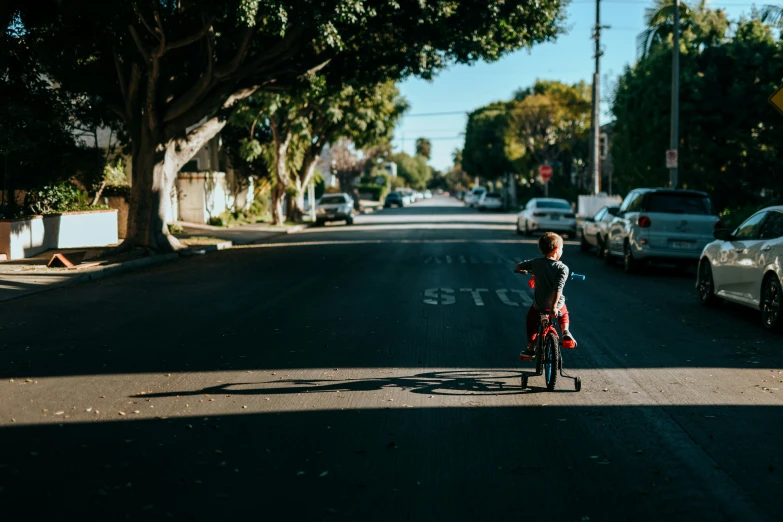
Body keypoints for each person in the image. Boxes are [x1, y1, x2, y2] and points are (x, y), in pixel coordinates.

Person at [515, 232, 577, 360]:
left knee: (531, 320)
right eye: (561, 248)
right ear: (556, 250)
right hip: (556, 305)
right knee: (564, 312)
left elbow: (519, 266)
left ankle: (531, 349)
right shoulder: (562, 268)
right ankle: (565, 332)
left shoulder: (536, 263)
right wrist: (554, 307)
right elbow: (558, 287)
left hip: (539, 305)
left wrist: (523, 270)